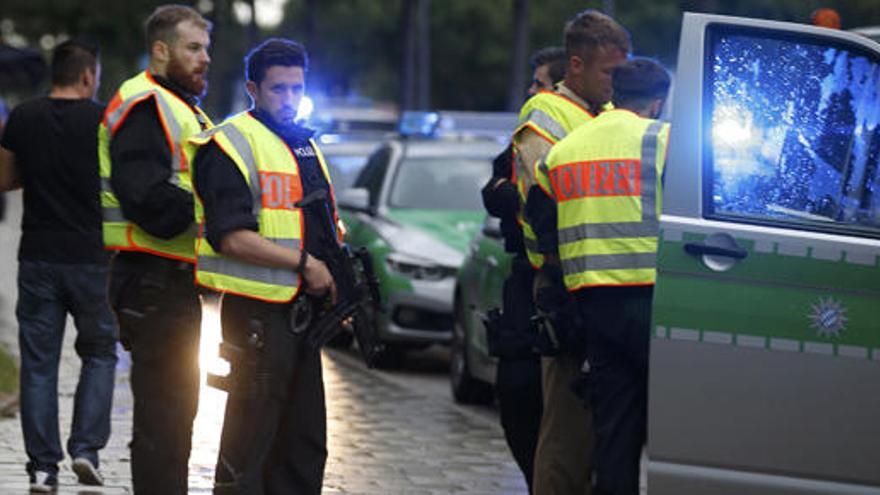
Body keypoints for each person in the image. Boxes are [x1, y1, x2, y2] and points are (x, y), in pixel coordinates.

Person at [190, 38, 341, 495]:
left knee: (303, 441)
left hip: (300, 315)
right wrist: (305, 264)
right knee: (250, 440)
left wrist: (337, 283)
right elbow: (231, 235)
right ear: (253, 89)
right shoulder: (229, 144)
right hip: (257, 315)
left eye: (297, 88)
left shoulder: (304, 145)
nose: (290, 99)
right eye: (279, 90)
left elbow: (320, 225)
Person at [530, 58, 672, 495]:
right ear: (658, 102)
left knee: (615, 430)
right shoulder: (664, 140)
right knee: (670, 425)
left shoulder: (567, 149)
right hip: (656, 300)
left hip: (595, 307)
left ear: (615, 94)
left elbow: (539, 216)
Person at [514, 10, 631, 495]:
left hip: (604, 285)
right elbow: (543, 201)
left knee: (598, 427)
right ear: (576, 65)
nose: (615, 82)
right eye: (609, 72)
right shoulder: (545, 114)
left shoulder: (605, 115)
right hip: (564, 283)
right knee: (567, 430)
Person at [99, 5, 213, 493]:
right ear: (161, 50)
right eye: (193, 48)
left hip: (167, 280)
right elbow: (147, 200)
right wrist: (215, 210)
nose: (205, 58)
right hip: (153, 278)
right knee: (165, 420)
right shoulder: (146, 103)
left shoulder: (181, 105)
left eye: (207, 48)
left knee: (174, 416)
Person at [0, 39, 116, 492]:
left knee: (39, 364)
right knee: (101, 354)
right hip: (94, 258)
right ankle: (86, 451)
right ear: (88, 75)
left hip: (38, 257)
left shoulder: (23, 116)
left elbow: (5, 180)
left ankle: (43, 468)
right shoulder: (105, 119)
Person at [481, 45, 566, 493]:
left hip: (561, 280)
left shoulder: (571, 138)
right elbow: (494, 189)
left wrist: (512, 197)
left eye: (539, 83)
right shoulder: (523, 138)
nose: (531, 91)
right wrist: (510, 197)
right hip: (523, 274)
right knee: (514, 390)